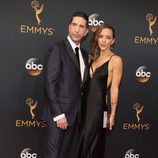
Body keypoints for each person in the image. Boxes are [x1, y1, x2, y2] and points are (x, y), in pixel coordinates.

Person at [42, 11, 89, 158]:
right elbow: (50, 83)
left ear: (86, 31)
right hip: (58, 117)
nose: (77, 30)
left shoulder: (85, 54)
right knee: (53, 155)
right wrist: (58, 115)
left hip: (74, 117)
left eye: (81, 26)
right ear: (69, 27)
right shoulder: (58, 49)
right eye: (74, 25)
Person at [77, 24, 123, 158]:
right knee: (81, 143)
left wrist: (112, 114)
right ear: (96, 38)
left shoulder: (116, 60)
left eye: (107, 37)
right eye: (101, 36)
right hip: (83, 107)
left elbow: (114, 88)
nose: (103, 40)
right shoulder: (92, 58)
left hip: (97, 109)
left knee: (92, 145)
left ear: (112, 40)